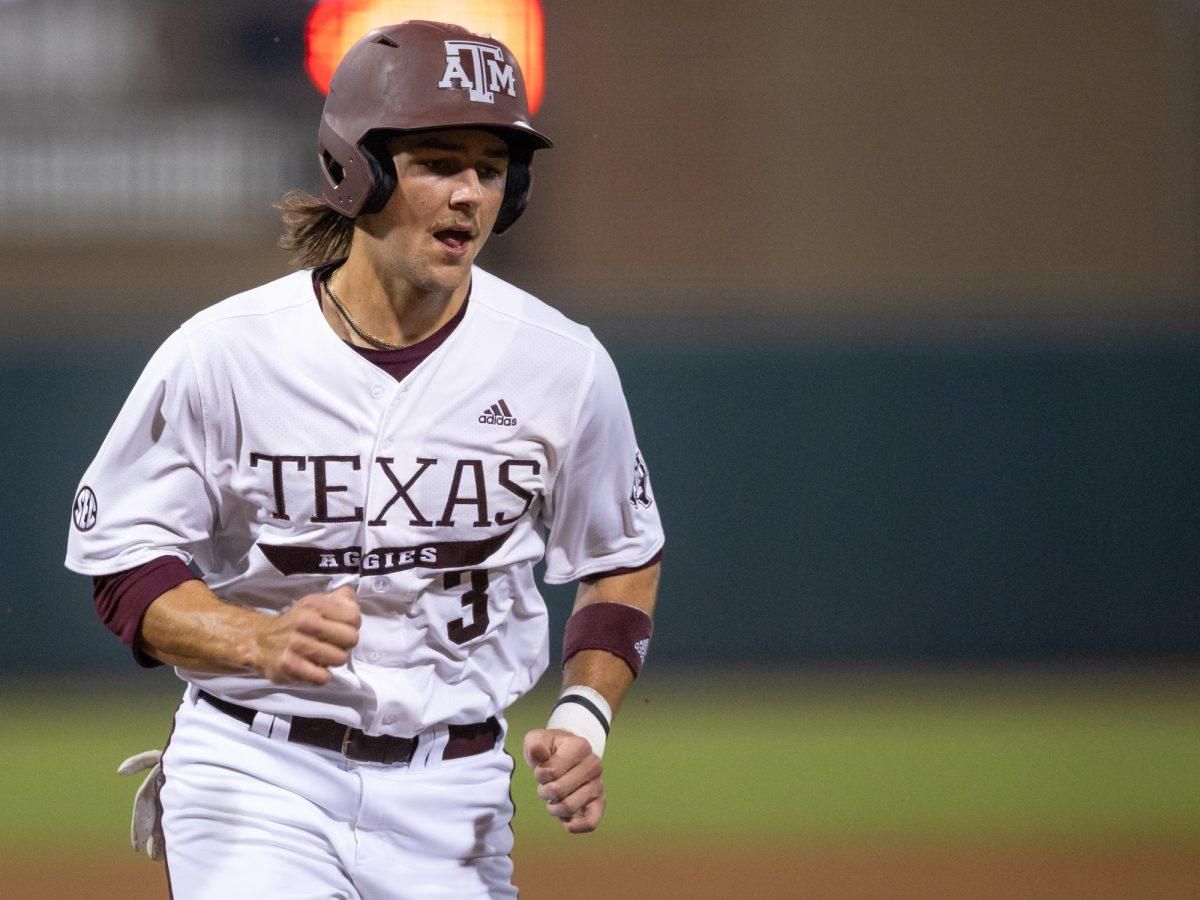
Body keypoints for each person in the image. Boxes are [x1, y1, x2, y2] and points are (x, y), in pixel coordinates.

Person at [66, 20, 663, 899]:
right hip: (254, 772)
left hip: (454, 794)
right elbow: (121, 563)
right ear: (360, 169)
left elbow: (621, 558)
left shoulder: (560, 364)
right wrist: (254, 637)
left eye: (491, 170)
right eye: (437, 162)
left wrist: (586, 713)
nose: (468, 194)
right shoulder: (225, 353)